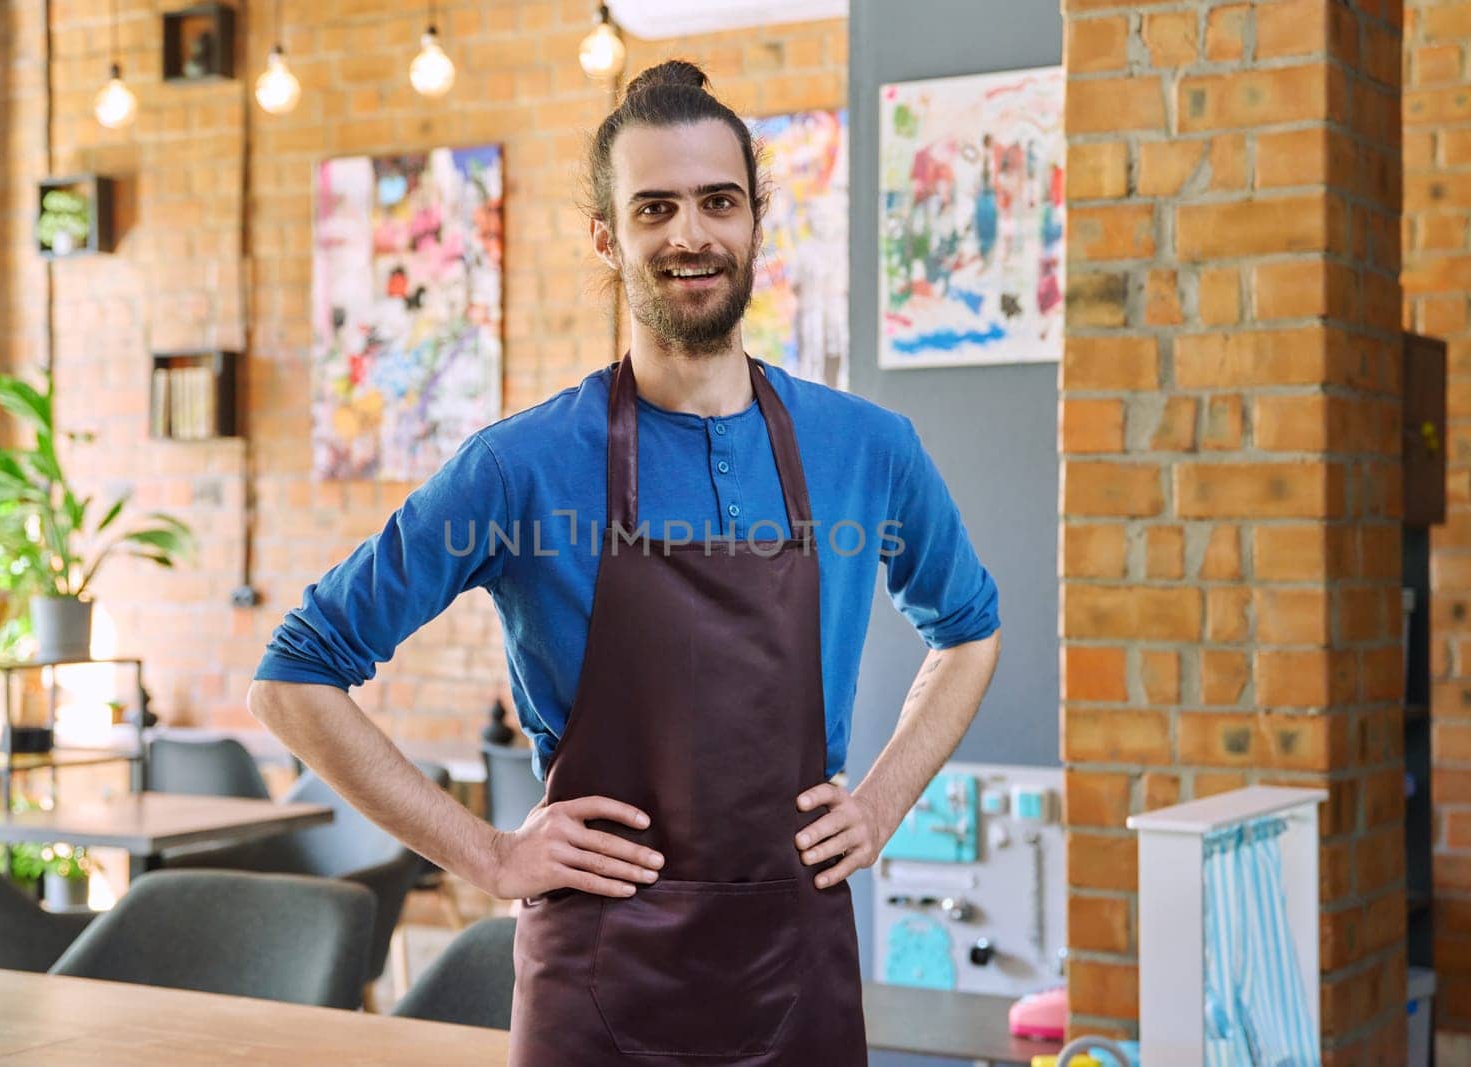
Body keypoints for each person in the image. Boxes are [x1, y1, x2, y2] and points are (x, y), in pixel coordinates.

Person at [250, 60, 1001, 1067]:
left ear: (754, 221)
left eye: (716, 202)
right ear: (608, 234)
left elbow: (969, 630)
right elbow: (295, 674)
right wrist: (488, 851)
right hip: (594, 978)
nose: (690, 233)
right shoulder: (519, 465)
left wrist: (882, 799)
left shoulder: (867, 447)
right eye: (655, 207)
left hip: (798, 965)